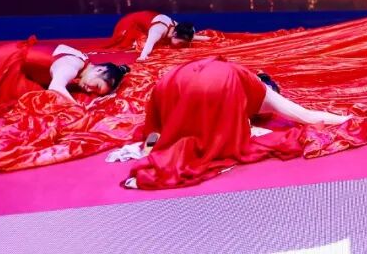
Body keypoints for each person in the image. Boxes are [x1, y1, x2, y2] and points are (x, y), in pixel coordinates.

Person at [124, 58, 350, 189]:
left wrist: (150, 148)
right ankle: (155, 162)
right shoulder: (261, 91)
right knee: (209, 140)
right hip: (210, 85)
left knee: (167, 126)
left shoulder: (240, 76)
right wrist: (345, 120)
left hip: (170, 81)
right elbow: (306, 116)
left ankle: (151, 151)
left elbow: (155, 124)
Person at [0, 38, 130, 120]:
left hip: (11, 63)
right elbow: (56, 87)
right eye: (96, 87)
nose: (89, 91)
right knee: (25, 101)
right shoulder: (71, 66)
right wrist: (80, 110)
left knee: (34, 97)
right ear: (99, 71)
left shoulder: (84, 62)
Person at [107, 10, 203, 60]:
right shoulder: (159, 29)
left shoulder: (179, 29)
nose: (181, 46)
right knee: (141, 44)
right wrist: (143, 56)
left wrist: (206, 38)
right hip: (129, 23)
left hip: (148, 18)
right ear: (174, 34)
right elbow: (149, 44)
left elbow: (191, 36)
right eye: (181, 43)